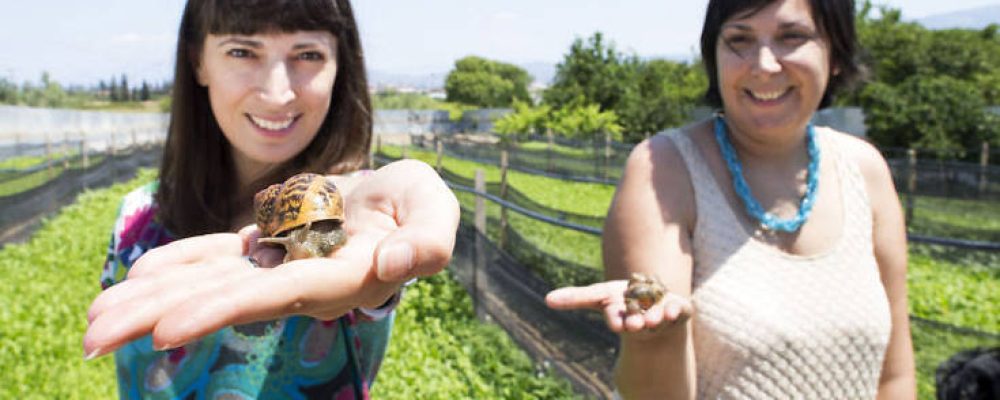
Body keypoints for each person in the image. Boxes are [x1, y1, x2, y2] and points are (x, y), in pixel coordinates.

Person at [82, 0, 459, 398]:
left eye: (308, 54)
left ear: (339, 66)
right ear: (198, 62)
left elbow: (371, 273)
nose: (277, 93)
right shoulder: (136, 218)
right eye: (242, 51)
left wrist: (384, 267)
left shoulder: (364, 208)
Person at [546, 0, 916, 398]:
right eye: (740, 39)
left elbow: (894, 377)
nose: (764, 64)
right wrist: (656, 340)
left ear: (836, 53)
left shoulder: (865, 170)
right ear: (714, 56)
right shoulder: (665, 171)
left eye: (792, 37)